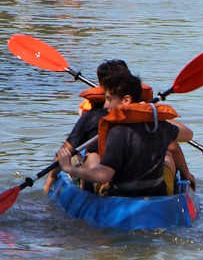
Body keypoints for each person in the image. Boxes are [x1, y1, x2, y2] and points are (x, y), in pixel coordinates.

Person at [56, 70, 195, 197]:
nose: (105, 105)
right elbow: (188, 135)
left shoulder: (117, 132)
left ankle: (79, 176)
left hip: (122, 197)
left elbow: (103, 176)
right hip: (157, 193)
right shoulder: (159, 126)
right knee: (168, 155)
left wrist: (69, 169)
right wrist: (153, 115)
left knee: (89, 161)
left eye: (109, 99)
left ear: (126, 100)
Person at [44, 59, 132, 193]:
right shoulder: (148, 114)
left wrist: (51, 177)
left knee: (75, 157)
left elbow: (65, 150)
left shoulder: (92, 116)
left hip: (100, 174)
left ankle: (85, 192)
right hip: (135, 176)